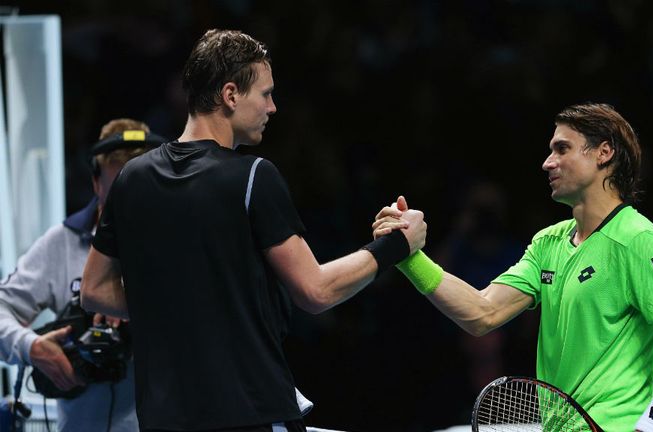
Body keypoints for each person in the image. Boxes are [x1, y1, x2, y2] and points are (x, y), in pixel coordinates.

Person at [79, 29, 426, 432]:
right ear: (230, 95)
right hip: (249, 414)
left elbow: (95, 291)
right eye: (265, 94)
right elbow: (315, 291)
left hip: (163, 420)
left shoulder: (131, 179)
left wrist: (177, 307)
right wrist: (395, 245)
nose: (273, 107)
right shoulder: (253, 177)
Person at [374, 103, 653, 432]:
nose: (547, 162)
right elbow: (482, 313)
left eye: (562, 149)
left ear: (604, 153)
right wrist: (408, 256)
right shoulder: (548, 243)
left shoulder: (636, 239)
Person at [0, 118, 165, 432]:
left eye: (140, 190)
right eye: (118, 191)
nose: (128, 205)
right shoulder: (61, 243)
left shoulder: (179, 247)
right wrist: (31, 347)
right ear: (96, 182)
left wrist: (136, 309)